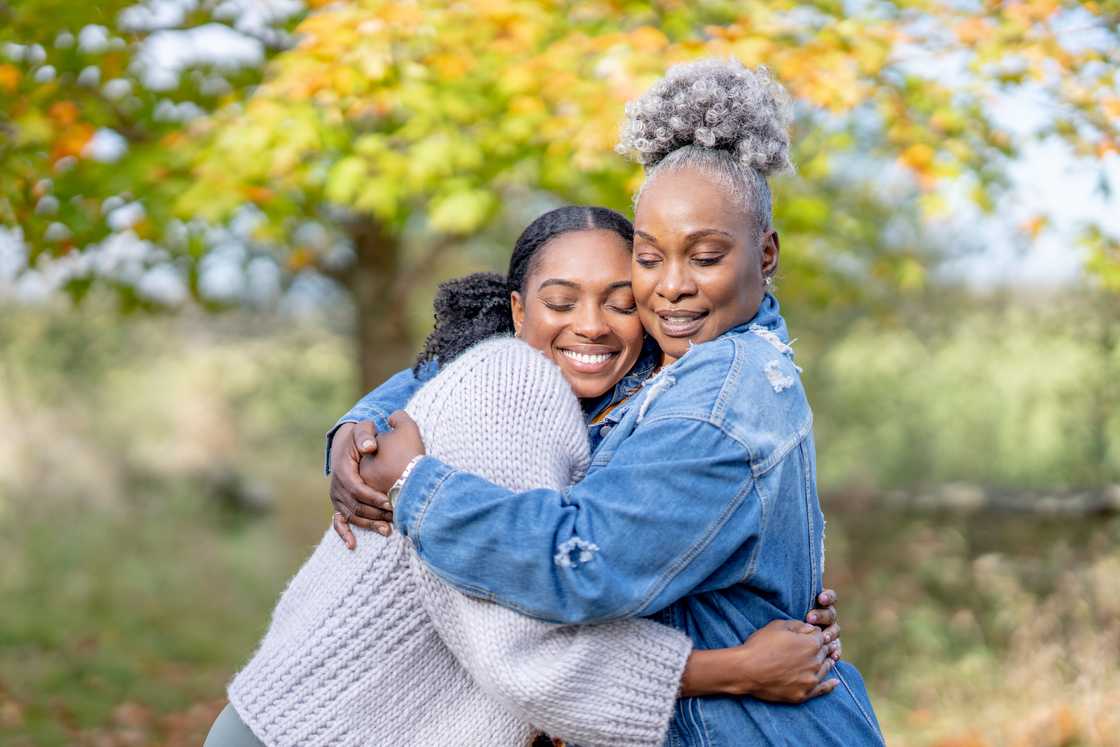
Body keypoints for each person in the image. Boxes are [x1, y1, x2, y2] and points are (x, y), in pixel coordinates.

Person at [351, 60, 885, 745]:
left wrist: (415, 488)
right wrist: (359, 424)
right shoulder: (698, 353)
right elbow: (494, 355)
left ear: (767, 253)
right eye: (651, 256)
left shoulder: (714, 407)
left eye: (706, 255)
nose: (672, 287)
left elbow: (579, 564)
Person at [205, 206, 842, 747]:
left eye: (620, 303)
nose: (591, 324)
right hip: (318, 729)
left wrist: (774, 603)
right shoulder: (515, 387)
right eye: (560, 302)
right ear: (516, 310)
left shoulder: (627, 405)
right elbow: (525, 657)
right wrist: (737, 668)